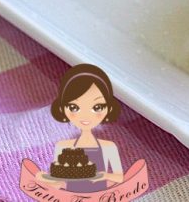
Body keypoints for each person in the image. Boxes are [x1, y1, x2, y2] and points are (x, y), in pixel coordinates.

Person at [35, 64, 124, 193]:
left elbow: (119, 177)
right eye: (74, 107)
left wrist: (103, 176)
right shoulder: (63, 146)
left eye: (97, 107)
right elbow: (59, 180)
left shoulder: (108, 147)